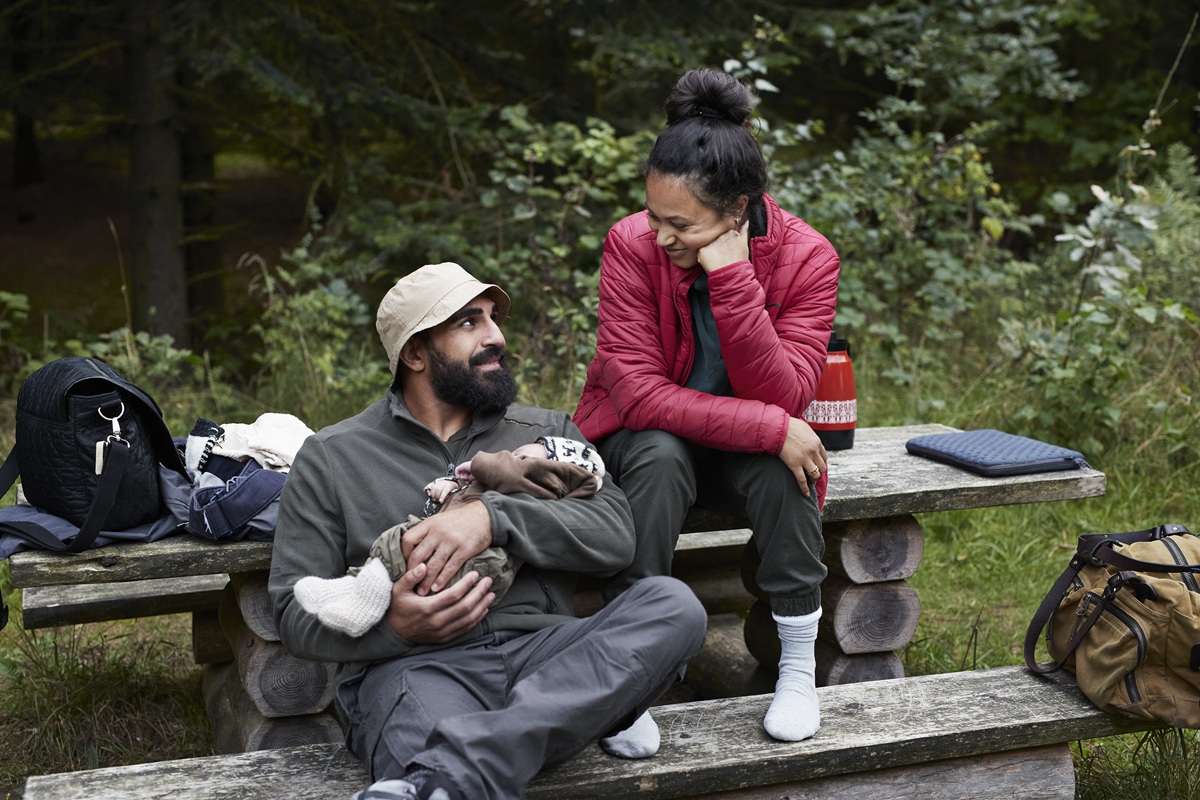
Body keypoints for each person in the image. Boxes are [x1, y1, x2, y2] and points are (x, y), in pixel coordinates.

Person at [269, 262, 707, 800]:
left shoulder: (546, 432)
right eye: (470, 323)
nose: (497, 335)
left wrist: (491, 517)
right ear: (415, 354)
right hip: (415, 668)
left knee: (674, 607)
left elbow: (615, 533)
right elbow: (293, 610)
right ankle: (493, 752)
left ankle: (469, 756)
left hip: (548, 654)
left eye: (494, 318)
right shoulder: (334, 457)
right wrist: (397, 629)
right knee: (445, 774)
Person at [573, 68, 840, 744]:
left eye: (680, 224)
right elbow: (634, 391)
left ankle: (796, 670)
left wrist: (732, 279)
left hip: (742, 451)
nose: (658, 235)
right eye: (653, 214)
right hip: (647, 436)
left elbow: (784, 394)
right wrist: (770, 426)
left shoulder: (808, 259)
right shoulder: (630, 244)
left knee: (789, 468)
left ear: (738, 211)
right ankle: (628, 673)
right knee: (663, 457)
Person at [291, 436, 606, 637]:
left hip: (485, 565)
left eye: (524, 454)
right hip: (464, 558)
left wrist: (480, 466)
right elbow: (463, 490)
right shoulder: (517, 483)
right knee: (404, 538)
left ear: (556, 463)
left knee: (408, 547)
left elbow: (503, 471)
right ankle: (356, 587)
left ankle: (367, 600)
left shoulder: (548, 479)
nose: (512, 455)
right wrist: (450, 484)